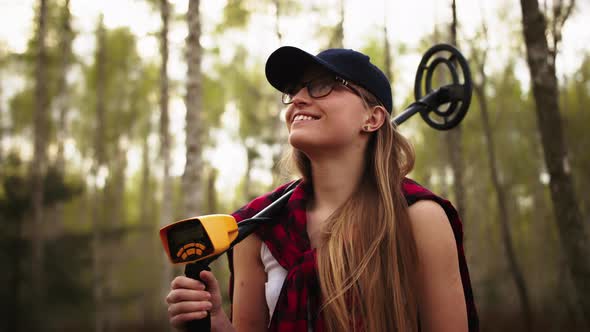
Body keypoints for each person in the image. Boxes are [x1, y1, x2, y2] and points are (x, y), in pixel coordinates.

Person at [166, 46, 478, 332]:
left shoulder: (418, 218)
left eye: (321, 85)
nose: (299, 98)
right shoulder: (259, 228)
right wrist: (219, 324)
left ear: (373, 118)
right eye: (294, 90)